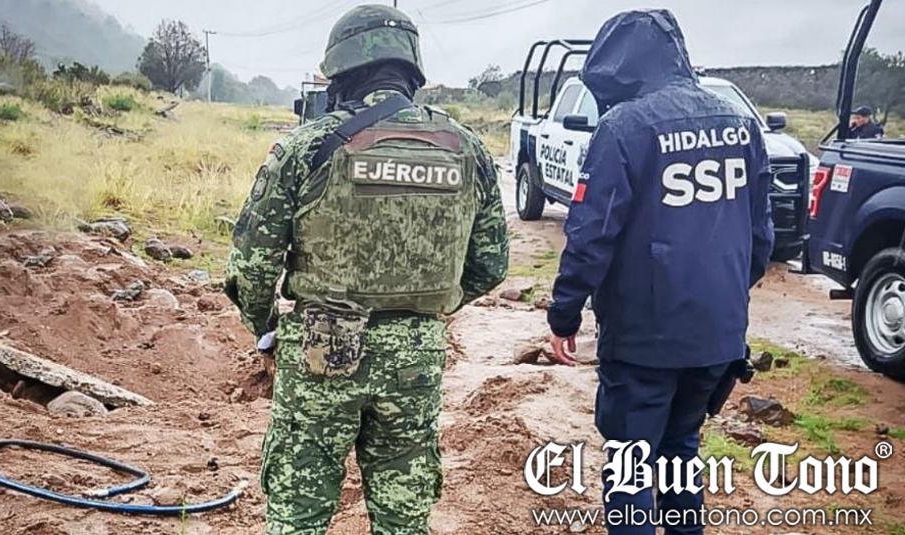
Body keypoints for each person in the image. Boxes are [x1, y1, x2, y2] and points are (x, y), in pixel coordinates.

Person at [224, 5, 509, 534]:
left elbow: (252, 268)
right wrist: (423, 310)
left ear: (341, 72)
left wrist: (267, 330)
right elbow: (490, 265)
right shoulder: (468, 149)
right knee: (404, 516)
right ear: (412, 71)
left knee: (298, 512)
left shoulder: (306, 147)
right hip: (416, 359)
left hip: (320, 349)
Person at [546, 10, 773, 535]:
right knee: (679, 453)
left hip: (644, 339)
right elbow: (761, 240)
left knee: (629, 470)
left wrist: (564, 315)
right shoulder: (742, 126)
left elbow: (590, 234)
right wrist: (721, 298)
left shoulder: (624, 128)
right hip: (716, 338)